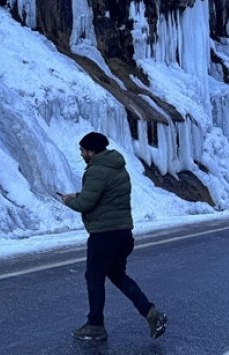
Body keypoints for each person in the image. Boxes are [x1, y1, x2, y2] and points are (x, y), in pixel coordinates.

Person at [59, 132, 167, 341]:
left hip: (104, 236)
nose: (81, 154)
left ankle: (95, 325)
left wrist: (68, 200)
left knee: (94, 278)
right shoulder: (118, 167)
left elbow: (85, 204)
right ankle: (151, 313)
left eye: (82, 150)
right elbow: (104, 197)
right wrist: (79, 196)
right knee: (118, 275)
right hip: (123, 233)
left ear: (91, 151)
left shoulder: (96, 170)